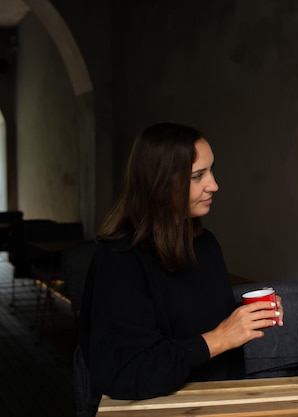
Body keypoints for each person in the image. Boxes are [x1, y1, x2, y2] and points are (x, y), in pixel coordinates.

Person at [78, 123, 284, 403]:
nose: (214, 185)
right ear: (161, 184)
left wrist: (247, 319)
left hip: (215, 404)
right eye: (198, 176)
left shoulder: (205, 243)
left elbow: (191, 323)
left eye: (211, 170)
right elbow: (128, 374)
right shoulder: (119, 261)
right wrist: (221, 337)